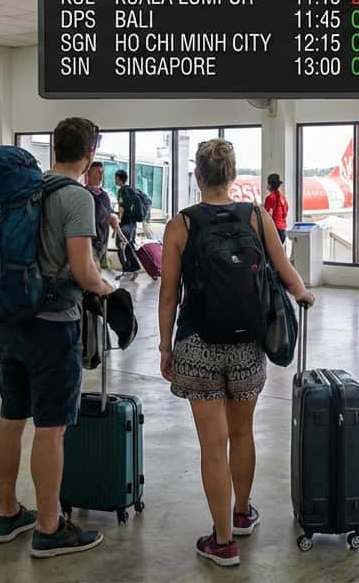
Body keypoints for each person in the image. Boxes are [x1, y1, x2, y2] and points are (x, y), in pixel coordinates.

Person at [159, 139, 314, 567]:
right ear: (231, 176)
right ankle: (243, 513)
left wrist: (165, 346)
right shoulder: (256, 216)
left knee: (213, 445)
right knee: (242, 433)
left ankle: (223, 541)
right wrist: (302, 293)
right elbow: (284, 268)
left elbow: (169, 295)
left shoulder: (180, 225)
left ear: (197, 176)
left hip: (197, 344)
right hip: (247, 343)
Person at [0, 117, 113, 558]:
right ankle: (48, 528)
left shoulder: (28, 189)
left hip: (11, 318)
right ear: (90, 154)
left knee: (11, 416)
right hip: (54, 324)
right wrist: (106, 287)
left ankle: (8, 513)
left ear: (56, 147)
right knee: (51, 428)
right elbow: (82, 269)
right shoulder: (76, 197)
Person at [84, 161, 114, 270]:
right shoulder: (83, 194)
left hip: (102, 242)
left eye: (102, 173)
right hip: (89, 244)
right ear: (88, 173)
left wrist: (114, 218)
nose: (101, 176)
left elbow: (109, 214)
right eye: (97, 172)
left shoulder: (105, 196)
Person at [113, 169, 141, 278]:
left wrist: (118, 221)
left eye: (116, 178)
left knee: (120, 245)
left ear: (119, 179)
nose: (115, 180)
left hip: (124, 223)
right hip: (132, 223)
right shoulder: (131, 190)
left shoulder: (121, 191)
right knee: (129, 245)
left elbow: (122, 208)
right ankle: (133, 269)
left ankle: (128, 269)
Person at [263, 173, 289, 243]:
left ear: (269, 185)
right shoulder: (282, 197)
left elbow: (266, 215)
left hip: (275, 230)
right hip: (282, 230)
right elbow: (286, 211)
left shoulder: (270, 198)